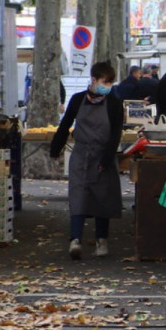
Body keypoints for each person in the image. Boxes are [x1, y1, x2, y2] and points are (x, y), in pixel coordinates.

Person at [50, 62, 124, 261]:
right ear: (93, 79)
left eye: (110, 83)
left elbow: (115, 134)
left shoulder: (114, 103)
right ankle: (75, 240)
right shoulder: (77, 100)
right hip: (81, 154)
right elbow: (65, 125)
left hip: (103, 154)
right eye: (104, 82)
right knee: (78, 196)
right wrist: (56, 148)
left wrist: (106, 159)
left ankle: (102, 240)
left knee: (103, 198)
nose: (107, 86)